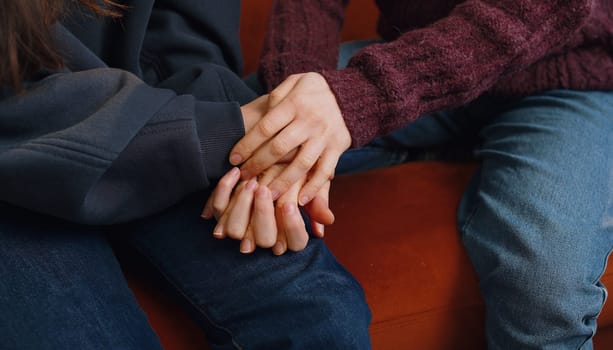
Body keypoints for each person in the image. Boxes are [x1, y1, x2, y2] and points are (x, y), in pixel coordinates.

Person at [210, 0, 613, 349]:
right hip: (419, 49)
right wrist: (297, 109)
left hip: (568, 80)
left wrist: (355, 98)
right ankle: (441, 147)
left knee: (544, 285)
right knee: (231, 139)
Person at [0, 1, 371, 349]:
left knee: (323, 320)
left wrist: (256, 160)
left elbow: (188, 39)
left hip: (159, 125)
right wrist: (230, 131)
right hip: (14, 176)